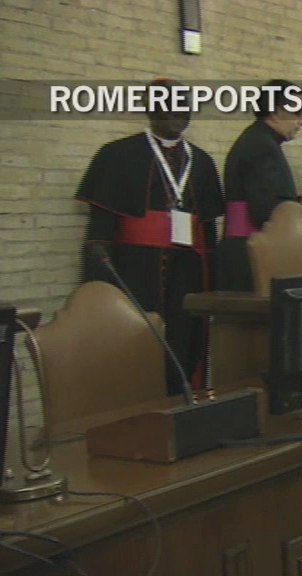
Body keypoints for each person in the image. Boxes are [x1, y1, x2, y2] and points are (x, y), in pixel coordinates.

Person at [75, 78, 224, 397]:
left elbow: (208, 228)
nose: (179, 112)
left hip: (189, 270)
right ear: (150, 108)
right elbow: (100, 229)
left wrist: (213, 281)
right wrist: (100, 277)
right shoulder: (117, 154)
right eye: (170, 104)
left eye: (185, 105)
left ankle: (182, 400)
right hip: (135, 267)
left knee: (185, 338)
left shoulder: (202, 161)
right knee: (138, 338)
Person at [215, 79, 302, 292]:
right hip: (250, 255)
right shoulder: (262, 147)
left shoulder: (259, 140)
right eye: (297, 113)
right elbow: (263, 210)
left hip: (247, 249)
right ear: (277, 112)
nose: (301, 122)